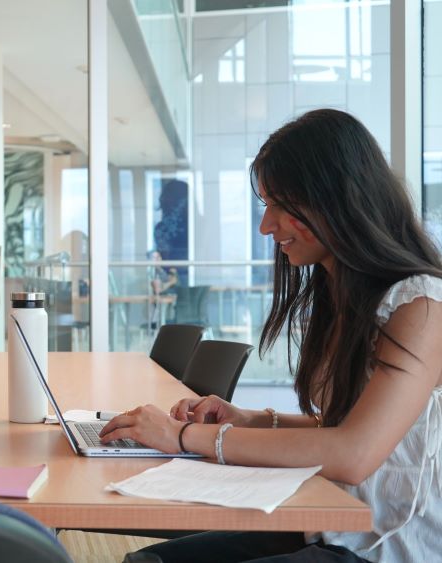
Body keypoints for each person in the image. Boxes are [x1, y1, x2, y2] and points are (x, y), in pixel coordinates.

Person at [101, 109, 442, 562]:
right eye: (266, 205)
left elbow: (354, 452)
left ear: (337, 198)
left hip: (387, 547)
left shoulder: (420, 304)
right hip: (330, 524)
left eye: (282, 205)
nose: (266, 225)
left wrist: (181, 436)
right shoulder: (340, 294)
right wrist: (247, 419)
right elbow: (343, 425)